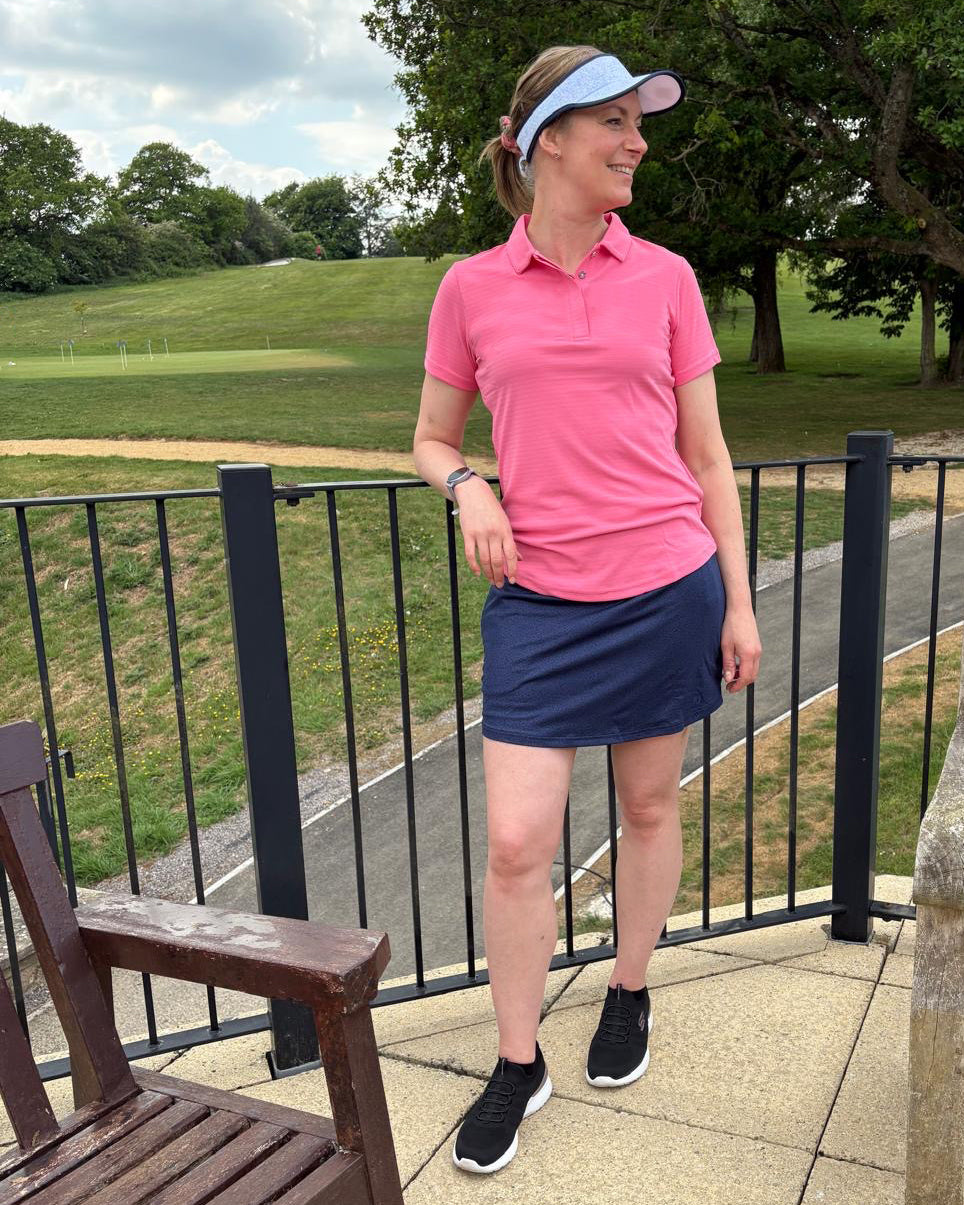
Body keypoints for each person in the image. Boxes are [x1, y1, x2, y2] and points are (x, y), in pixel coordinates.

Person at [412, 44, 762, 1176]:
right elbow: (429, 436)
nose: (636, 140)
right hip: (540, 606)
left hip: (668, 584)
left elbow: (707, 459)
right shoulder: (469, 287)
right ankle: (518, 1060)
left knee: (648, 807)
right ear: (546, 140)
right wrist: (467, 486)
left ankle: (627, 987)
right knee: (517, 843)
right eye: (613, 120)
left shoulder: (663, 276)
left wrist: (739, 605)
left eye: (637, 121)